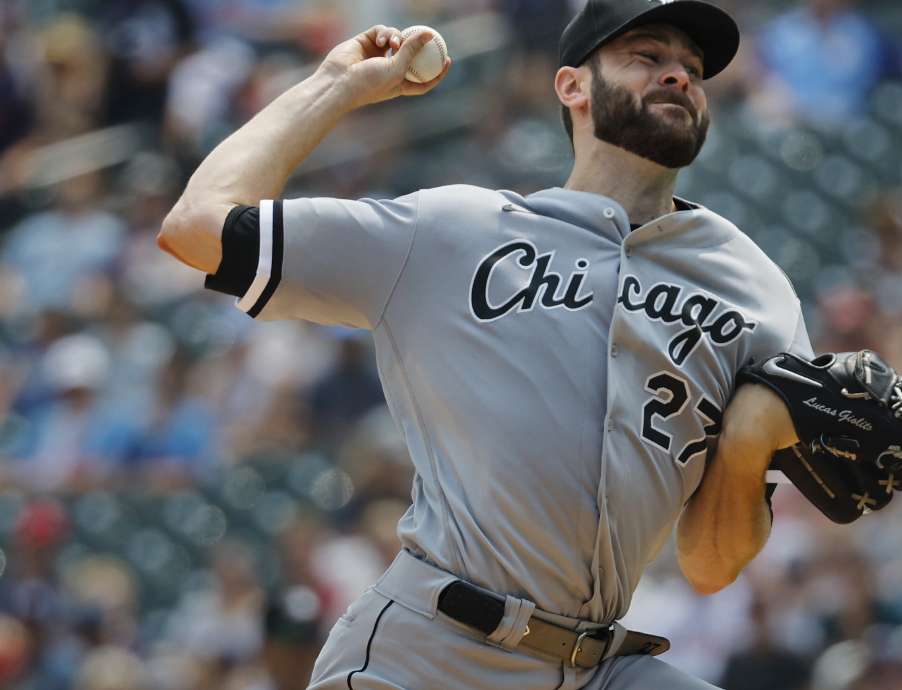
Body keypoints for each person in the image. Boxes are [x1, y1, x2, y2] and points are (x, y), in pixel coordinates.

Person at [157, 1, 807, 687]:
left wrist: (746, 444)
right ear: (572, 87)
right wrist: (336, 84)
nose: (679, 76)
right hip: (431, 651)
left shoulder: (756, 291)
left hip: (600, 665)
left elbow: (709, 565)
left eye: (693, 68)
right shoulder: (455, 230)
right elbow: (198, 226)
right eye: (648, 57)